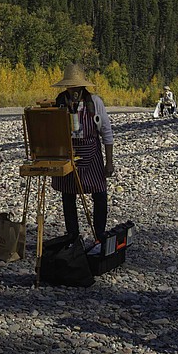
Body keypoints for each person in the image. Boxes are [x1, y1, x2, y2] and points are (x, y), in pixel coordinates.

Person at [50, 64, 114, 253]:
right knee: (67, 195)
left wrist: (109, 162)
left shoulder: (94, 102)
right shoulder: (60, 102)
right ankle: (72, 235)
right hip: (68, 153)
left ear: (82, 86)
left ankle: (99, 235)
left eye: (76, 87)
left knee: (100, 194)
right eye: (71, 87)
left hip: (91, 153)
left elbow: (106, 133)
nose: (74, 90)